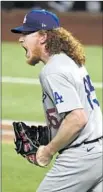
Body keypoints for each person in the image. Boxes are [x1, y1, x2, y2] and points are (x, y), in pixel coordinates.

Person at [11, 9, 103, 192]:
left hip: (80, 157)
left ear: (43, 37)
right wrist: (55, 132)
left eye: (26, 34)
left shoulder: (52, 70)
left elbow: (77, 118)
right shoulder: (71, 61)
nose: (21, 39)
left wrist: (48, 151)